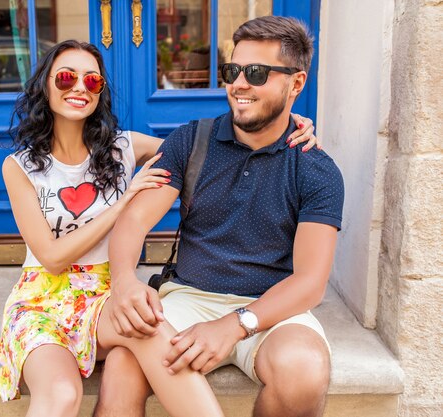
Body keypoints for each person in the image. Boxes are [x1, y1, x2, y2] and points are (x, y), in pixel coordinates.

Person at [0, 39, 319, 417]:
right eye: (66, 77)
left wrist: (287, 126)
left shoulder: (123, 147)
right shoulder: (19, 167)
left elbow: (206, 154)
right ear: (45, 85)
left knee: (148, 325)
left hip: (103, 295)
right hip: (41, 301)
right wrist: (123, 203)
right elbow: (51, 257)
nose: (79, 87)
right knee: (62, 395)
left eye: (92, 81)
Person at [98, 16, 344, 417]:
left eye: (257, 73)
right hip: (188, 298)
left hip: (271, 308)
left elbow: (310, 283)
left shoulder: (316, 170)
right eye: (232, 70)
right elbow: (134, 220)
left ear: (296, 84)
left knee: (304, 372)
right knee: (123, 367)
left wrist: (234, 325)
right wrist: (124, 280)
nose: (239, 84)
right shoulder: (191, 141)